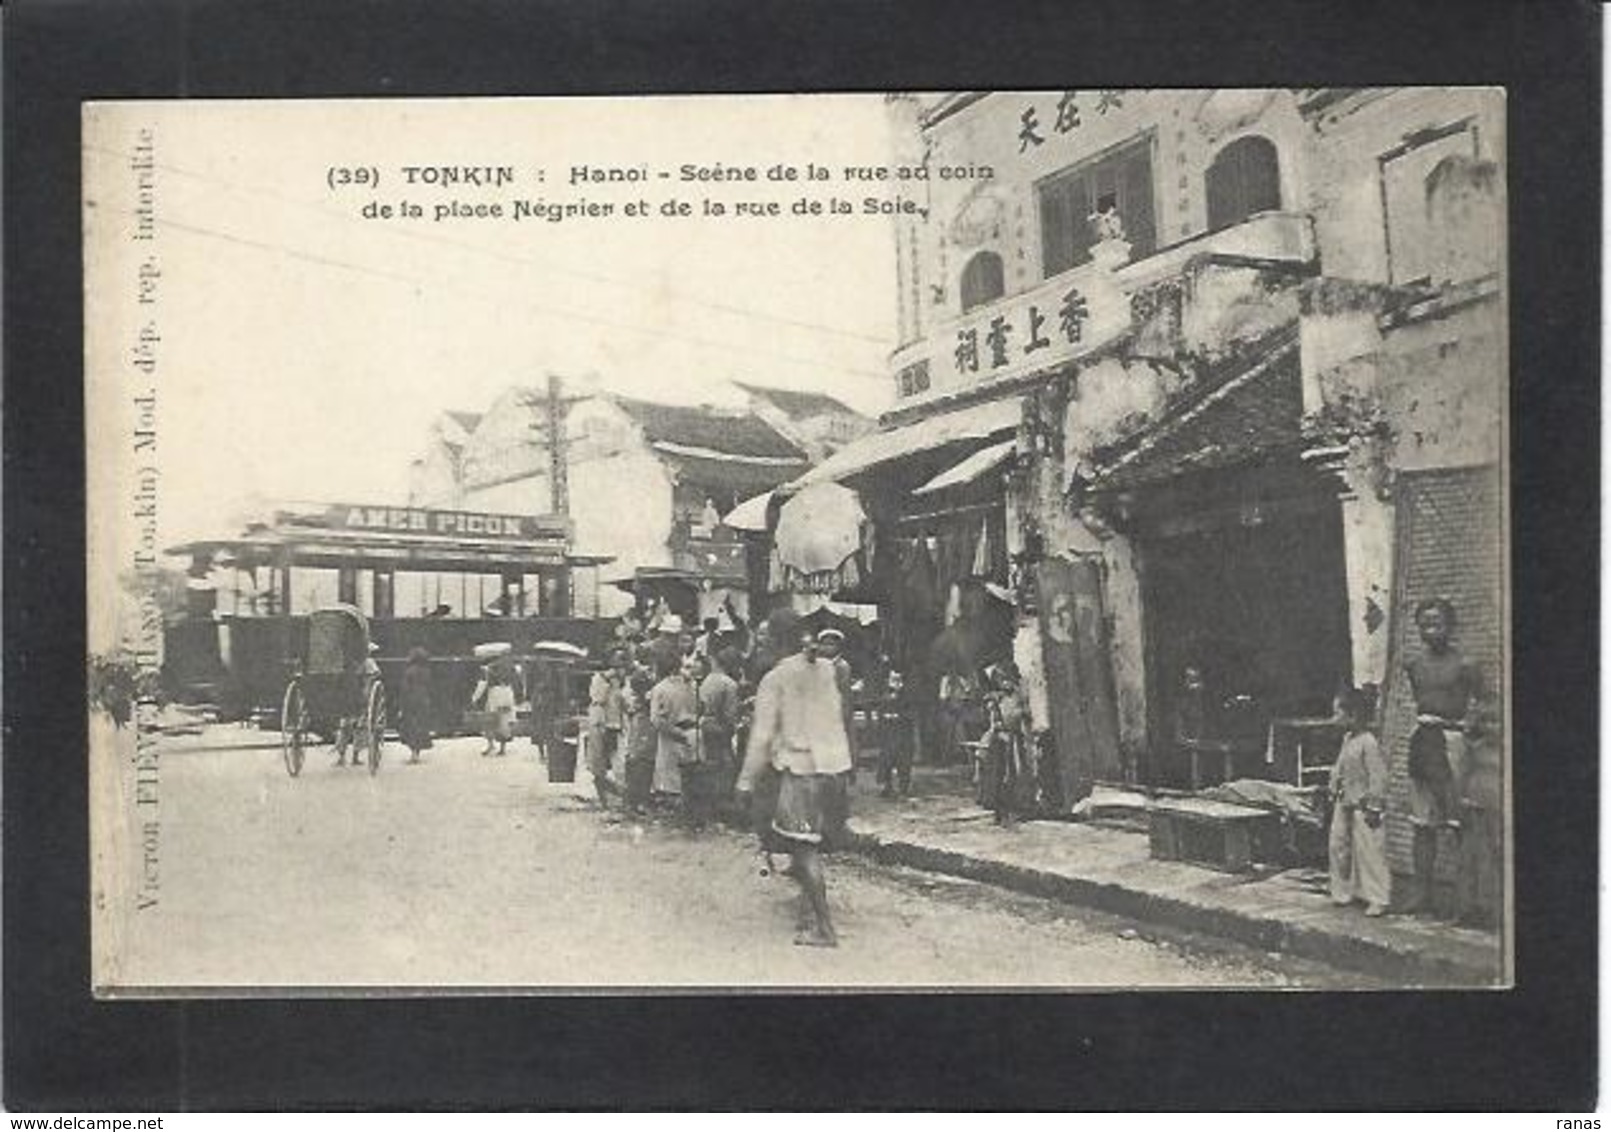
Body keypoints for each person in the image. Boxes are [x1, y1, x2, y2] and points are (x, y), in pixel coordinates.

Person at [736, 617, 854, 948]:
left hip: (802, 771)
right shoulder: (826, 670)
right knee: (808, 844)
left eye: (763, 637)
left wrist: (746, 780)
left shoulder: (775, 678)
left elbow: (761, 736)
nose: (759, 643)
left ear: (775, 641)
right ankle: (807, 913)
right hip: (834, 770)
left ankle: (824, 929)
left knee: (803, 851)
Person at [1402, 597, 1486, 917]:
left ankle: (1466, 901)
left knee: (1459, 822)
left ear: (1450, 626)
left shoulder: (1466, 664)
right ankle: (1422, 895)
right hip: (1423, 741)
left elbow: (1484, 705)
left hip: (1453, 743)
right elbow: (1421, 702)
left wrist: (1469, 730)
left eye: (1436, 623)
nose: (1430, 630)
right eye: (1424, 624)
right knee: (1422, 823)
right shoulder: (1413, 664)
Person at [1328, 686, 1390, 917]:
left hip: (1364, 804)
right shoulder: (1348, 739)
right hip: (1345, 800)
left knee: (1370, 850)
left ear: (1353, 715)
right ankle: (1343, 891)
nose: (1334, 718)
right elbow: (1339, 767)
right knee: (1338, 845)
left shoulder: (1368, 742)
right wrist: (1334, 784)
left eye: (1338, 713)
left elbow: (1378, 777)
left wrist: (1374, 805)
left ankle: (1378, 897)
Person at [699, 645, 744, 820]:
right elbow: (729, 714)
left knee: (709, 763)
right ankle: (720, 806)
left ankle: (708, 804)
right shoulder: (729, 684)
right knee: (725, 766)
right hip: (719, 726)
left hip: (705, 723)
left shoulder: (709, 678)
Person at [649, 651, 699, 806]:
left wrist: (673, 732)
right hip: (691, 732)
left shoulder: (660, 689)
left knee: (669, 776)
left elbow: (656, 719)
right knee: (687, 774)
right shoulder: (692, 685)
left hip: (670, 734)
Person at [586, 650, 628, 807]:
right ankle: (604, 798)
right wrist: (607, 681)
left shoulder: (619, 682)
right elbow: (598, 699)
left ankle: (616, 796)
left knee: (617, 762)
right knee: (599, 762)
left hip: (615, 724)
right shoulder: (599, 678)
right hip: (601, 723)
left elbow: (622, 704)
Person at [621, 647, 658, 816]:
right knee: (642, 758)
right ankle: (637, 799)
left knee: (637, 756)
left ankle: (634, 799)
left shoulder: (637, 675)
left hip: (639, 717)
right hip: (642, 716)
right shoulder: (642, 675)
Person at [876, 662, 913, 799]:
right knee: (886, 760)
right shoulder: (884, 695)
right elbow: (880, 712)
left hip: (903, 734)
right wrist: (885, 717)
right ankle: (887, 786)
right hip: (888, 733)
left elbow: (911, 714)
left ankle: (903, 788)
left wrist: (899, 716)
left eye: (898, 680)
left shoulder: (907, 695)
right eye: (893, 680)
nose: (896, 683)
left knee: (903, 761)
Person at [398, 647, 435, 765]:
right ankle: (417, 754)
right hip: (424, 699)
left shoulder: (409, 671)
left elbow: (405, 688)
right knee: (421, 725)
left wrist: (401, 704)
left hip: (411, 699)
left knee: (411, 725)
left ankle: (413, 753)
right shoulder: (426, 671)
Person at [479, 657, 518, 757]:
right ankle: (501, 748)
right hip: (506, 693)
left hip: (495, 695)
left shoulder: (489, 669)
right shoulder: (510, 668)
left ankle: (492, 745)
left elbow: (483, 684)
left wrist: (475, 697)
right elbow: (516, 683)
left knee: (491, 721)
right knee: (503, 722)